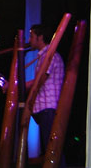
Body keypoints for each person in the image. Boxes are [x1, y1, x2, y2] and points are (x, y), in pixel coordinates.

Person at [26, 24, 65, 156]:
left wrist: (18, 86)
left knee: (52, 151)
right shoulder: (45, 56)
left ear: (40, 37)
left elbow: (40, 80)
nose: (29, 40)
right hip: (46, 110)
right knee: (49, 150)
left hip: (49, 109)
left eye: (31, 36)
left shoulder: (50, 56)